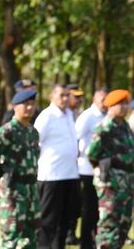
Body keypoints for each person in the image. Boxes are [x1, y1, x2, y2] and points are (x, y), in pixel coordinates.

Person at [0, 89, 41, 249]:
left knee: (32, 231)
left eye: (32, 104)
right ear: (15, 107)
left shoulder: (32, 132)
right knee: (13, 232)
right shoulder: (6, 131)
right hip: (13, 190)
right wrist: (2, 173)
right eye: (25, 104)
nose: (30, 108)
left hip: (31, 189)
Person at [33, 84, 79, 249]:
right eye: (61, 95)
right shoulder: (47, 116)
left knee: (65, 220)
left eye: (68, 95)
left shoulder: (69, 114)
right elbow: (34, 142)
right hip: (51, 175)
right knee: (48, 220)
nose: (65, 98)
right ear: (51, 96)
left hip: (70, 174)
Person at [87, 89, 134, 249]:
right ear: (110, 106)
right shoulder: (104, 127)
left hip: (126, 182)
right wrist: (106, 167)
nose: (124, 107)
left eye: (126, 103)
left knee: (124, 222)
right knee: (109, 222)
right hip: (110, 183)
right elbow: (92, 153)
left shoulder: (126, 126)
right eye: (120, 104)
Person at [75, 89, 107, 249]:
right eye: (101, 99)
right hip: (86, 170)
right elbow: (75, 138)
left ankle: (95, 240)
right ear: (94, 99)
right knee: (88, 210)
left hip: (102, 171)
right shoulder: (87, 116)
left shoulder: (106, 116)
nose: (104, 102)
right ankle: (86, 242)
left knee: (98, 209)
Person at [64, 83, 84, 246]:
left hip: (77, 167)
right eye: (75, 97)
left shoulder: (78, 115)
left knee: (75, 202)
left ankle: (71, 232)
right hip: (61, 167)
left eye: (80, 97)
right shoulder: (62, 114)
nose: (79, 100)